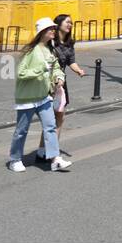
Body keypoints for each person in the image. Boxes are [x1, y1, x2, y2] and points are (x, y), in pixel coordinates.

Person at [8, 17, 69, 172]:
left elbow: (55, 68)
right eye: (50, 29)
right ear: (42, 32)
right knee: (21, 130)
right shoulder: (30, 51)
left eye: (54, 29)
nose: (53, 31)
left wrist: (59, 77)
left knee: (50, 126)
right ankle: (14, 159)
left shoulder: (50, 50)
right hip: (27, 98)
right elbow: (21, 73)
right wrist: (40, 70)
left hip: (44, 96)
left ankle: (55, 159)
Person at [42, 13, 86, 162]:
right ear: (59, 24)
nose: (70, 25)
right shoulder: (50, 42)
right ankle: (45, 151)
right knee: (49, 118)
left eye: (71, 23)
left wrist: (78, 70)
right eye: (67, 22)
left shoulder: (69, 43)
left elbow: (71, 61)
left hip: (61, 84)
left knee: (59, 117)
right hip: (48, 83)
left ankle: (51, 150)